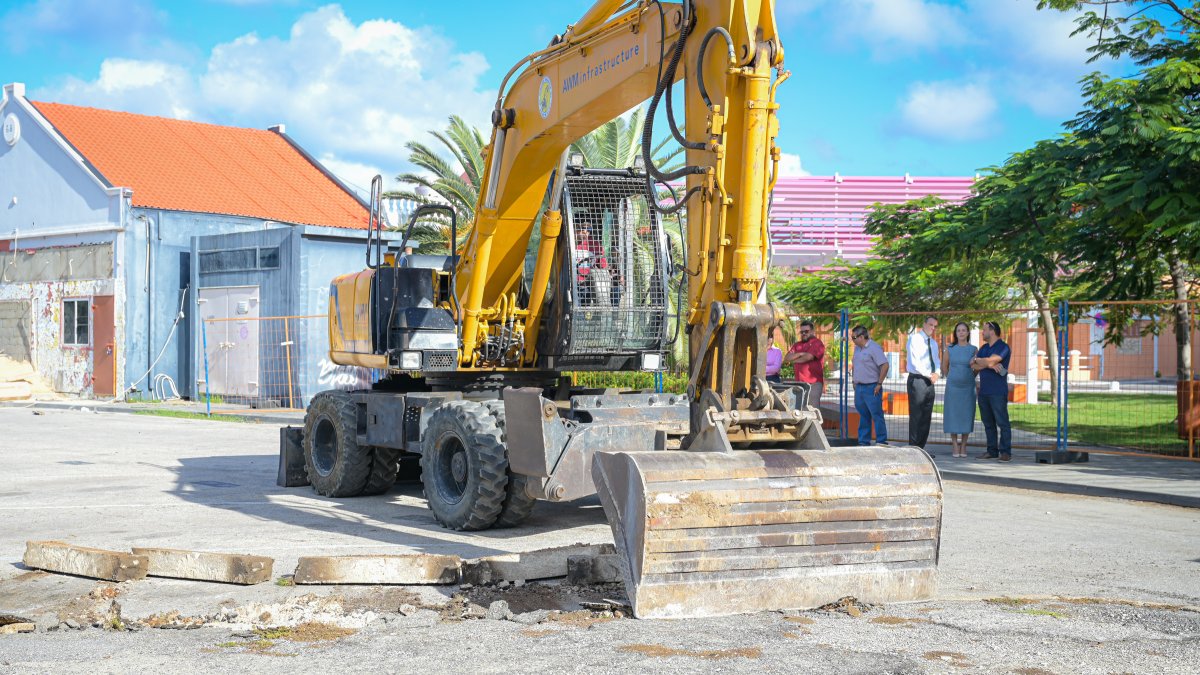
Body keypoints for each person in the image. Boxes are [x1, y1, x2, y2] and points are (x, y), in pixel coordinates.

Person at [972, 321, 1013, 461]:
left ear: (992, 330)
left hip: (997, 391)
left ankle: (1005, 452)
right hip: (983, 391)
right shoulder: (984, 348)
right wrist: (988, 364)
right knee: (988, 424)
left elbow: (985, 362)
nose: (982, 333)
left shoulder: (1003, 347)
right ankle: (992, 451)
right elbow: (972, 365)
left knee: (1002, 422)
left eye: (984, 330)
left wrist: (982, 361)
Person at [905, 316, 941, 453]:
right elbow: (915, 362)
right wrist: (929, 375)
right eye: (931, 324)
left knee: (926, 415)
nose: (933, 328)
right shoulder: (915, 339)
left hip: (930, 381)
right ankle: (913, 449)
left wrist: (937, 373)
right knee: (917, 415)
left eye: (935, 326)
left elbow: (936, 360)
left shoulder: (934, 343)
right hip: (918, 379)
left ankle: (921, 449)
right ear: (924, 324)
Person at [942, 321, 978, 458]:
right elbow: (944, 366)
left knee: (966, 414)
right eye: (958, 330)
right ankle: (955, 445)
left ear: (968, 332)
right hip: (953, 387)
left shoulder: (974, 349)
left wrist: (970, 377)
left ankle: (963, 445)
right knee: (953, 414)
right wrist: (951, 377)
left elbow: (977, 367)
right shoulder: (950, 349)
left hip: (968, 387)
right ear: (955, 333)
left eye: (963, 330)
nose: (961, 332)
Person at [850, 326, 889, 446]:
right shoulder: (857, 349)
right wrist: (854, 381)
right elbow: (855, 365)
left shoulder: (874, 348)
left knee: (876, 415)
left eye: (854, 337)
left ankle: (881, 441)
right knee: (863, 415)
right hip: (859, 387)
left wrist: (879, 383)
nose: (852, 340)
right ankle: (863, 442)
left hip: (872, 387)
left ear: (862, 337)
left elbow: (885, 365)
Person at [785, 320, 826, 406]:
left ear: (812, 331)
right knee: (799, 409)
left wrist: (794, 359)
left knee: (812, 409)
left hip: (813, 384)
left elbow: (808, 357)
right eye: (802, 332)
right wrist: (800, 354)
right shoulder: (797, 345)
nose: (804, 333)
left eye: (806, 331)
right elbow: (787, 358)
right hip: (799, 384)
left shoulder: (817, 343)